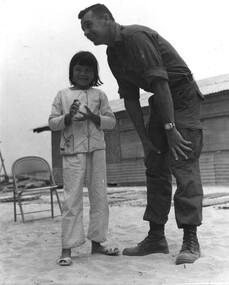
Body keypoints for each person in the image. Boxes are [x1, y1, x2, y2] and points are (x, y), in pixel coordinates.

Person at [78, 4, 204, 265]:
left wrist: (170, 129)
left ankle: (190, 239)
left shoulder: (136, 37)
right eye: (83, 29)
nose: (86, 33)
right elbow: (131, 99)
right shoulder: (113, 55)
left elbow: (161, 83)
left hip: (181, 96)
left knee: (182, 162)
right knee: (155, 163)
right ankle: (156, 237)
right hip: (161, 102)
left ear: (107, 19)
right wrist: (145, 140)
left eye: (89, 25)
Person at [49, 51, 119, 266]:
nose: (83, 73)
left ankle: (97, 244)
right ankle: (67, 247)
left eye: (88, 70)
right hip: (72, 151)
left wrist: (93, 117)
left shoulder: (100, 95)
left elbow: (112, 121)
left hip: (97, 150)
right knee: (72, 200)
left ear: (94, 73)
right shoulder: (62, 94)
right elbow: (52, 122)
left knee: (99, 197)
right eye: (78, 69)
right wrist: (68, 117)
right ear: (72, 71)